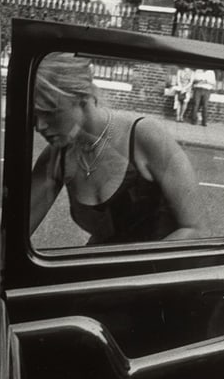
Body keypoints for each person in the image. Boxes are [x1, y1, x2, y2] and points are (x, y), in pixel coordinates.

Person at [30, 53, 207, 245]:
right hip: (100, 267)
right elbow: (14, 230)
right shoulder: (57, 157)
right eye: (33, 115)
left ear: (81, 96)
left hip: (158, 271)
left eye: (49, 113)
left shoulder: (145, 136)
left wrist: (128, 271)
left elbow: (197, 231)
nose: (40, 126)